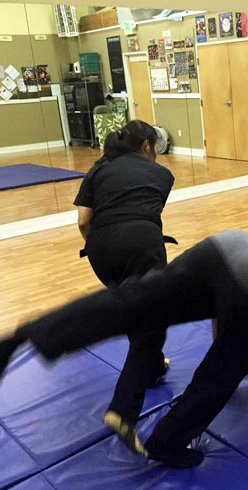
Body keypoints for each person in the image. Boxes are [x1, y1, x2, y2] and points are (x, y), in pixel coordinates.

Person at [0, 230, 248, 468]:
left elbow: (224, 304)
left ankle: (26, 335)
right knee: (223, 373)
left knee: (133, 303)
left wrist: (225, 343)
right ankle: (167, 443)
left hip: (219, 249)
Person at [74, 119, 175, 453]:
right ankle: (122, 410)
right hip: (142, 243)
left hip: (99, 250)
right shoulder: (162, 175)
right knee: (152, 317)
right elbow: (145, 214)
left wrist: (101, 247)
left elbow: (84, 221)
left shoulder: (98, 169)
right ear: (146, 147)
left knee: (140, 310)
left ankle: (154, 366)